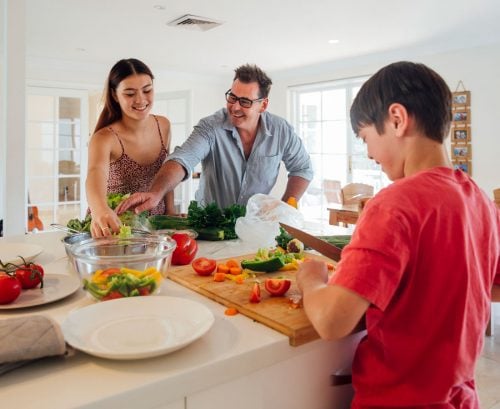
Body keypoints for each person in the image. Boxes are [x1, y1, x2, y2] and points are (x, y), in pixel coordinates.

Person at [296, 61, 500, 408]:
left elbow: (333, 321)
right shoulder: (481, 200)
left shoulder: (393, 203)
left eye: (365, 138)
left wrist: (311, 279)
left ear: (396, 119)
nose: (368, 153)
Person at [115, 63, 313, 215]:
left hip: (255, 223)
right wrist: (156, 192)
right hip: (209, 223)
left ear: (263, 105)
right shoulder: (211, 127)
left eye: (244, 102)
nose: (235, 107)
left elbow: (302, 168)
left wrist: (287, 207)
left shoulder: (281, 130)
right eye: (232, 97)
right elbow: (182, 159)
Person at [85, 58, 174, 237]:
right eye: (130, 93)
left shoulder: (163, 125)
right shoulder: (105, 138)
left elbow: (167, 169)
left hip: (155, 224)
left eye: (147, 90)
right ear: (115, 95)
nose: (141, 99)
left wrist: (171, 212)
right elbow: (96, 173)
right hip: (114, 226)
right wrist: (100, 210)